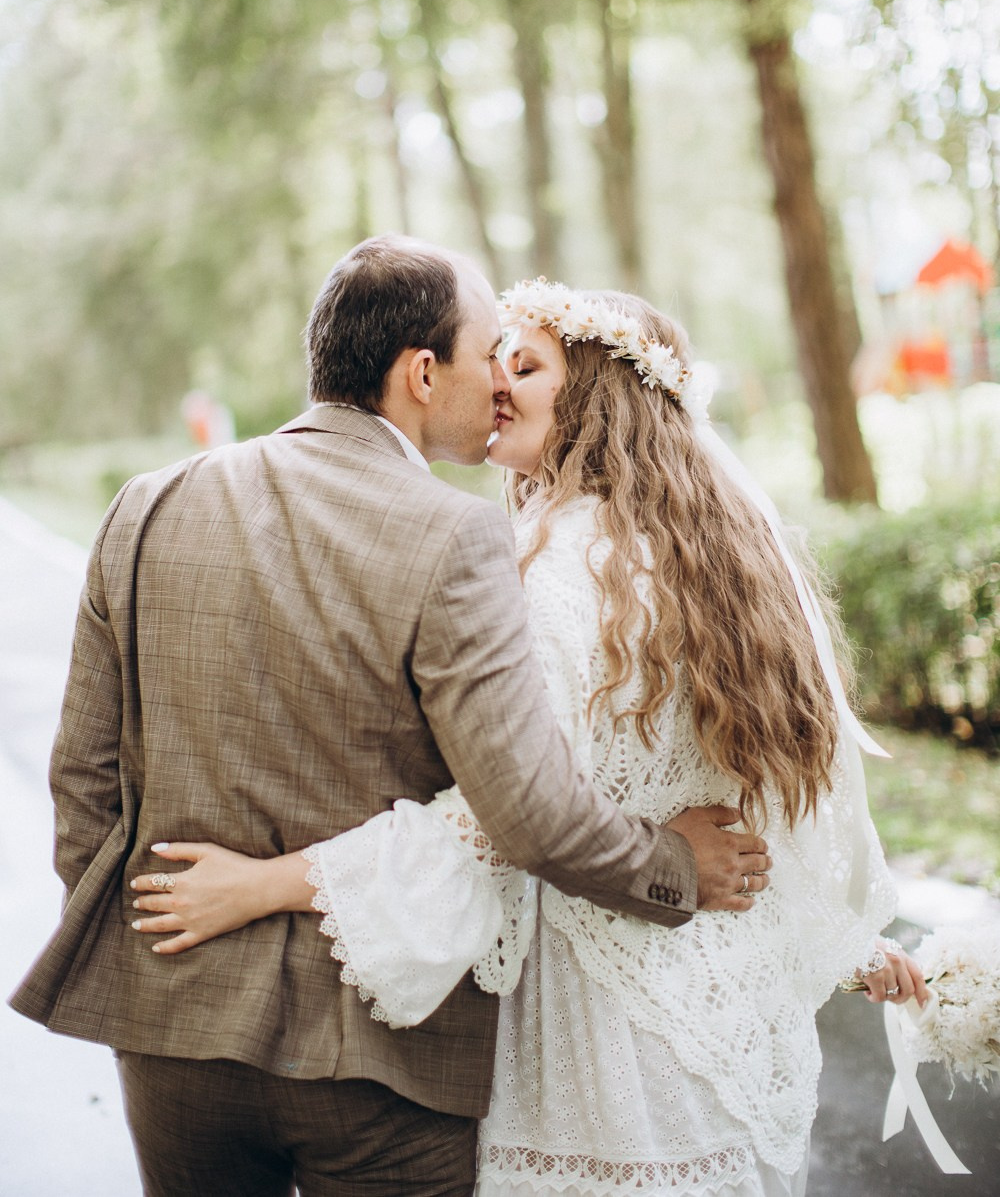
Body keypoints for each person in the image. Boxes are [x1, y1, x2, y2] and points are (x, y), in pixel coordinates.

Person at [127, 278, 928, 1197]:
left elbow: (500, 819)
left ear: (597, 395)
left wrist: (260, 886)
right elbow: (742, 803)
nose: (499, 384)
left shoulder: (562, 572)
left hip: (595, 1025)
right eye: (497, 360)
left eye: (528, 365)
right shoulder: (703, 556)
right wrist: (840, 940)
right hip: (702, 1001)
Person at [10, 242, 767, 1197]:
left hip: (171, 1032)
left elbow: (82, 780)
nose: (499, 381)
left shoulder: (146, 505)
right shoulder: (455, 535)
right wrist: (673, 869)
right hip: (377, 1056)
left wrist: (142, 960)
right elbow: (527, 812)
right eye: (487, 354)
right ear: (421, 373)